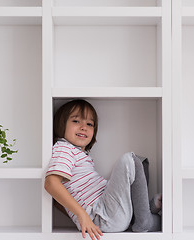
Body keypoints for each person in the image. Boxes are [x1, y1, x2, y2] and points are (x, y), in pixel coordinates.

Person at [44, 99, 162, 240]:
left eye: (89, 124)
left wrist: (82, 219)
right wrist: (82, 216)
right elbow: (51, 183)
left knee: (141, 164)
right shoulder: (64, 148)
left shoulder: (79, 154)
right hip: (102, 215)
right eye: (76, 121)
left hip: (105, 217)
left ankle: (142, 216)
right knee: (130, 160)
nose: (83, 127)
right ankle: (144, 217)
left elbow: (58, 202)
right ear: (60, 124)